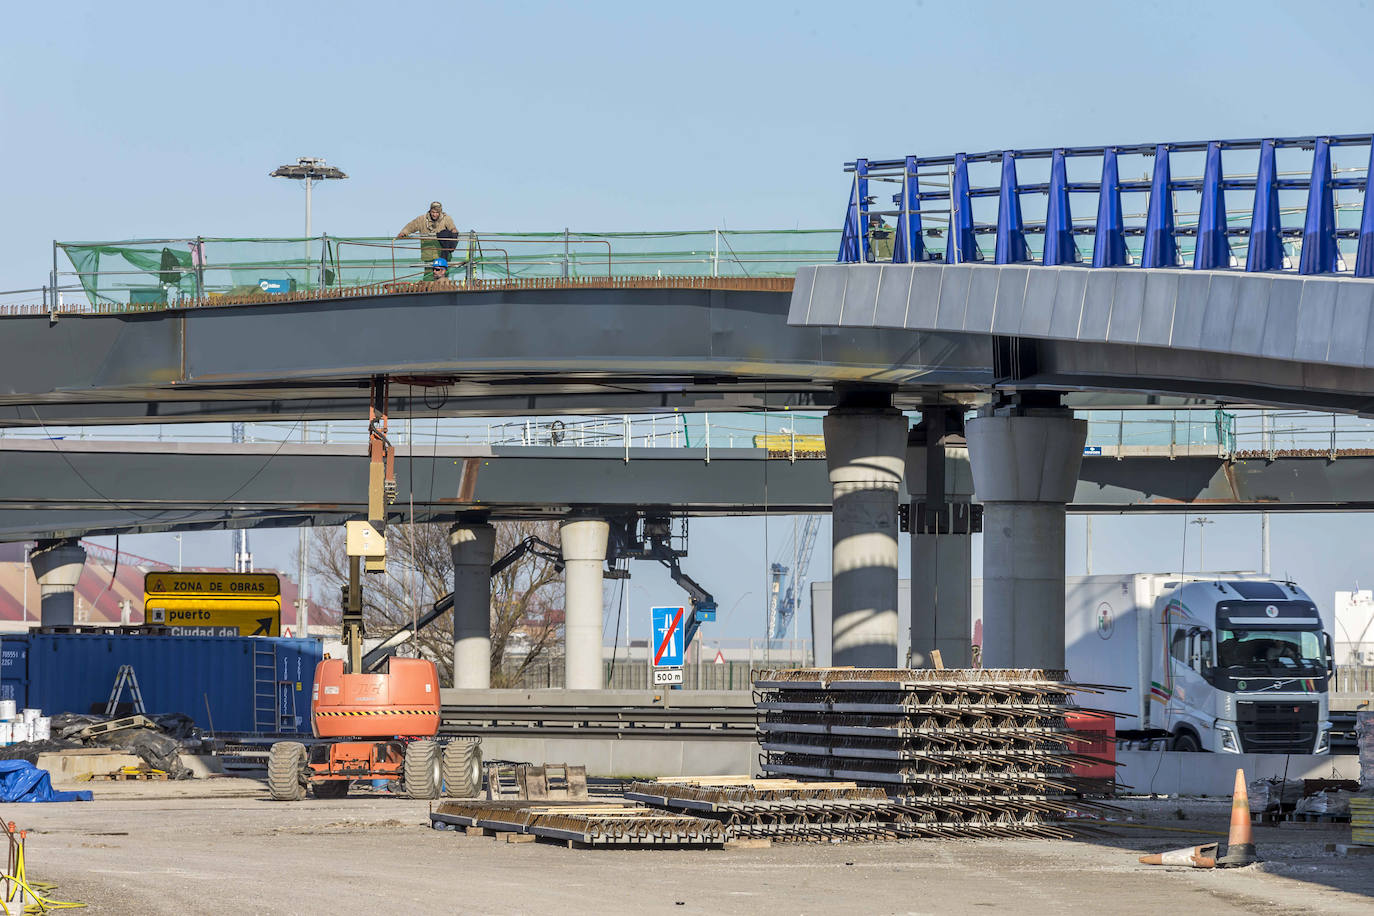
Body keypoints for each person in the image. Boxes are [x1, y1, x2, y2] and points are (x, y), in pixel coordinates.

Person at [397, 201, 458, 279]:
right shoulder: (422, 219)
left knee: (443, 278)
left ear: (440, 212)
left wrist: (453, 238)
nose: (434, 214)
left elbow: (453, 229)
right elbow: (411, 226)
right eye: (433, 212)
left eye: (437, 212)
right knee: (428, 277)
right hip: (428, 254)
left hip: (442, 255)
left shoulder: (446, 219)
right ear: (430, 211)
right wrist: (403, 233)